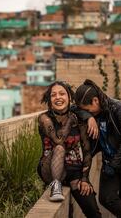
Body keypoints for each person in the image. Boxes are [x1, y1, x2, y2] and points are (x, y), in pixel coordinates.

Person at [74, 79, 121, 218]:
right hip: (109, 162)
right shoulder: (94, 113)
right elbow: (74, 109)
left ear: (95, 101)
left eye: (87, 110)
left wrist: (114, 165)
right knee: (106, 198)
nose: (86, 112)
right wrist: (89, 117)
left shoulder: (119, 109)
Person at [37, 80, 101, 218]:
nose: (58, 97)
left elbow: (86, 151)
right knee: (59, 148)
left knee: (92, 210)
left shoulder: (79, 119)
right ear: (49, 99)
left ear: (69, 97)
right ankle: (56, 187)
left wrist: (85, 178)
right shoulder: (45, 119)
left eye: (62, 94)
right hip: (49, 168)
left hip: (72, 170)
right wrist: (70, 122)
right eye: (53, 95)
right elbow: (59, 141)